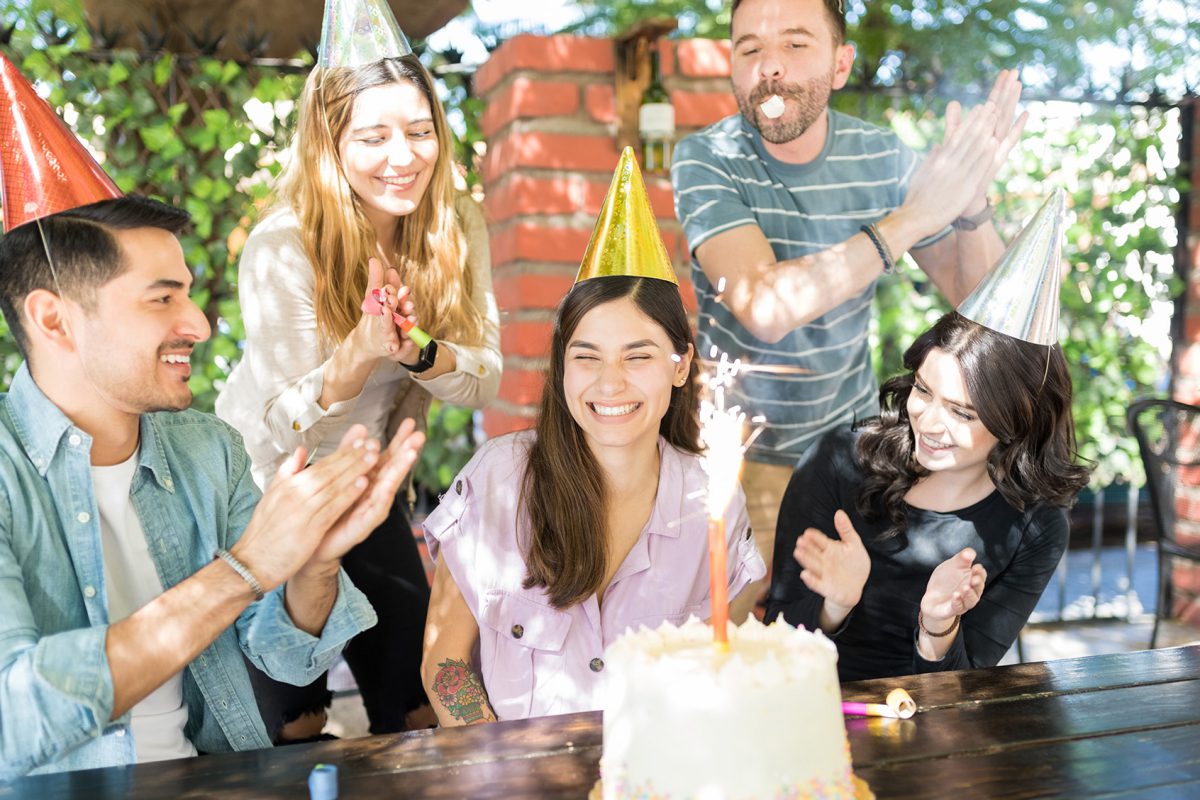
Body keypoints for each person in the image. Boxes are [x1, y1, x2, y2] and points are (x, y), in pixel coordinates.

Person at [0, 191, 426, 778]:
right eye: (163, 298)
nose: (197, 323)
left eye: (189, 293)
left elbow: (285, 656)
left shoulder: (207, 448)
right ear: (55, 320)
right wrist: (245, 566)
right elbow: (13, 717)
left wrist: (315, 564)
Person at [671, 0, 1028, 622]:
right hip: (737, 467)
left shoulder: (881, 156)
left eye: (796, 44)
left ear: (841, 64)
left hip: (849, 464)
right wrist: (915, 217)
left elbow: (983, 303)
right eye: (750, 48)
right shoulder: (707, 158)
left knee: (839, 662)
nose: (770, 68)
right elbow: (765, 306)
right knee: (729, 665)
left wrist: (968, 206)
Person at [215, 2, 499, 738]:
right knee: (294, 721)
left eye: (419, 131)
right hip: (269, 489)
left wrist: (416, 352)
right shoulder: (282, 246)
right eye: (373, 137)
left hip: (367, 487)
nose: (402, 156)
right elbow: (277, 423)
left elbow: (481, 377)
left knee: (416, 708)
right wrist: (359, 352)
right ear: (329, 145)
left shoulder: (454, 227)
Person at [420, 151, 765, 725]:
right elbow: (446, 662)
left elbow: (721, 666)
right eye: (588, 357)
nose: (610, 383)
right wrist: (497, 762)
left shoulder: (714, 499)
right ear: (563, 368)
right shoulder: (499, 478)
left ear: (679, 367)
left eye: (639, 356)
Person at [765, 191, 1091, 681]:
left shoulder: (1035, 527)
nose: (928, 421)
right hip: (813, 715)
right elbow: (775, 644)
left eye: (961, 412)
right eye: (923, 390)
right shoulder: (837, 462)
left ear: (1016, 423)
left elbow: (966, 686)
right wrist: (835, 605)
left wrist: (937, 628)